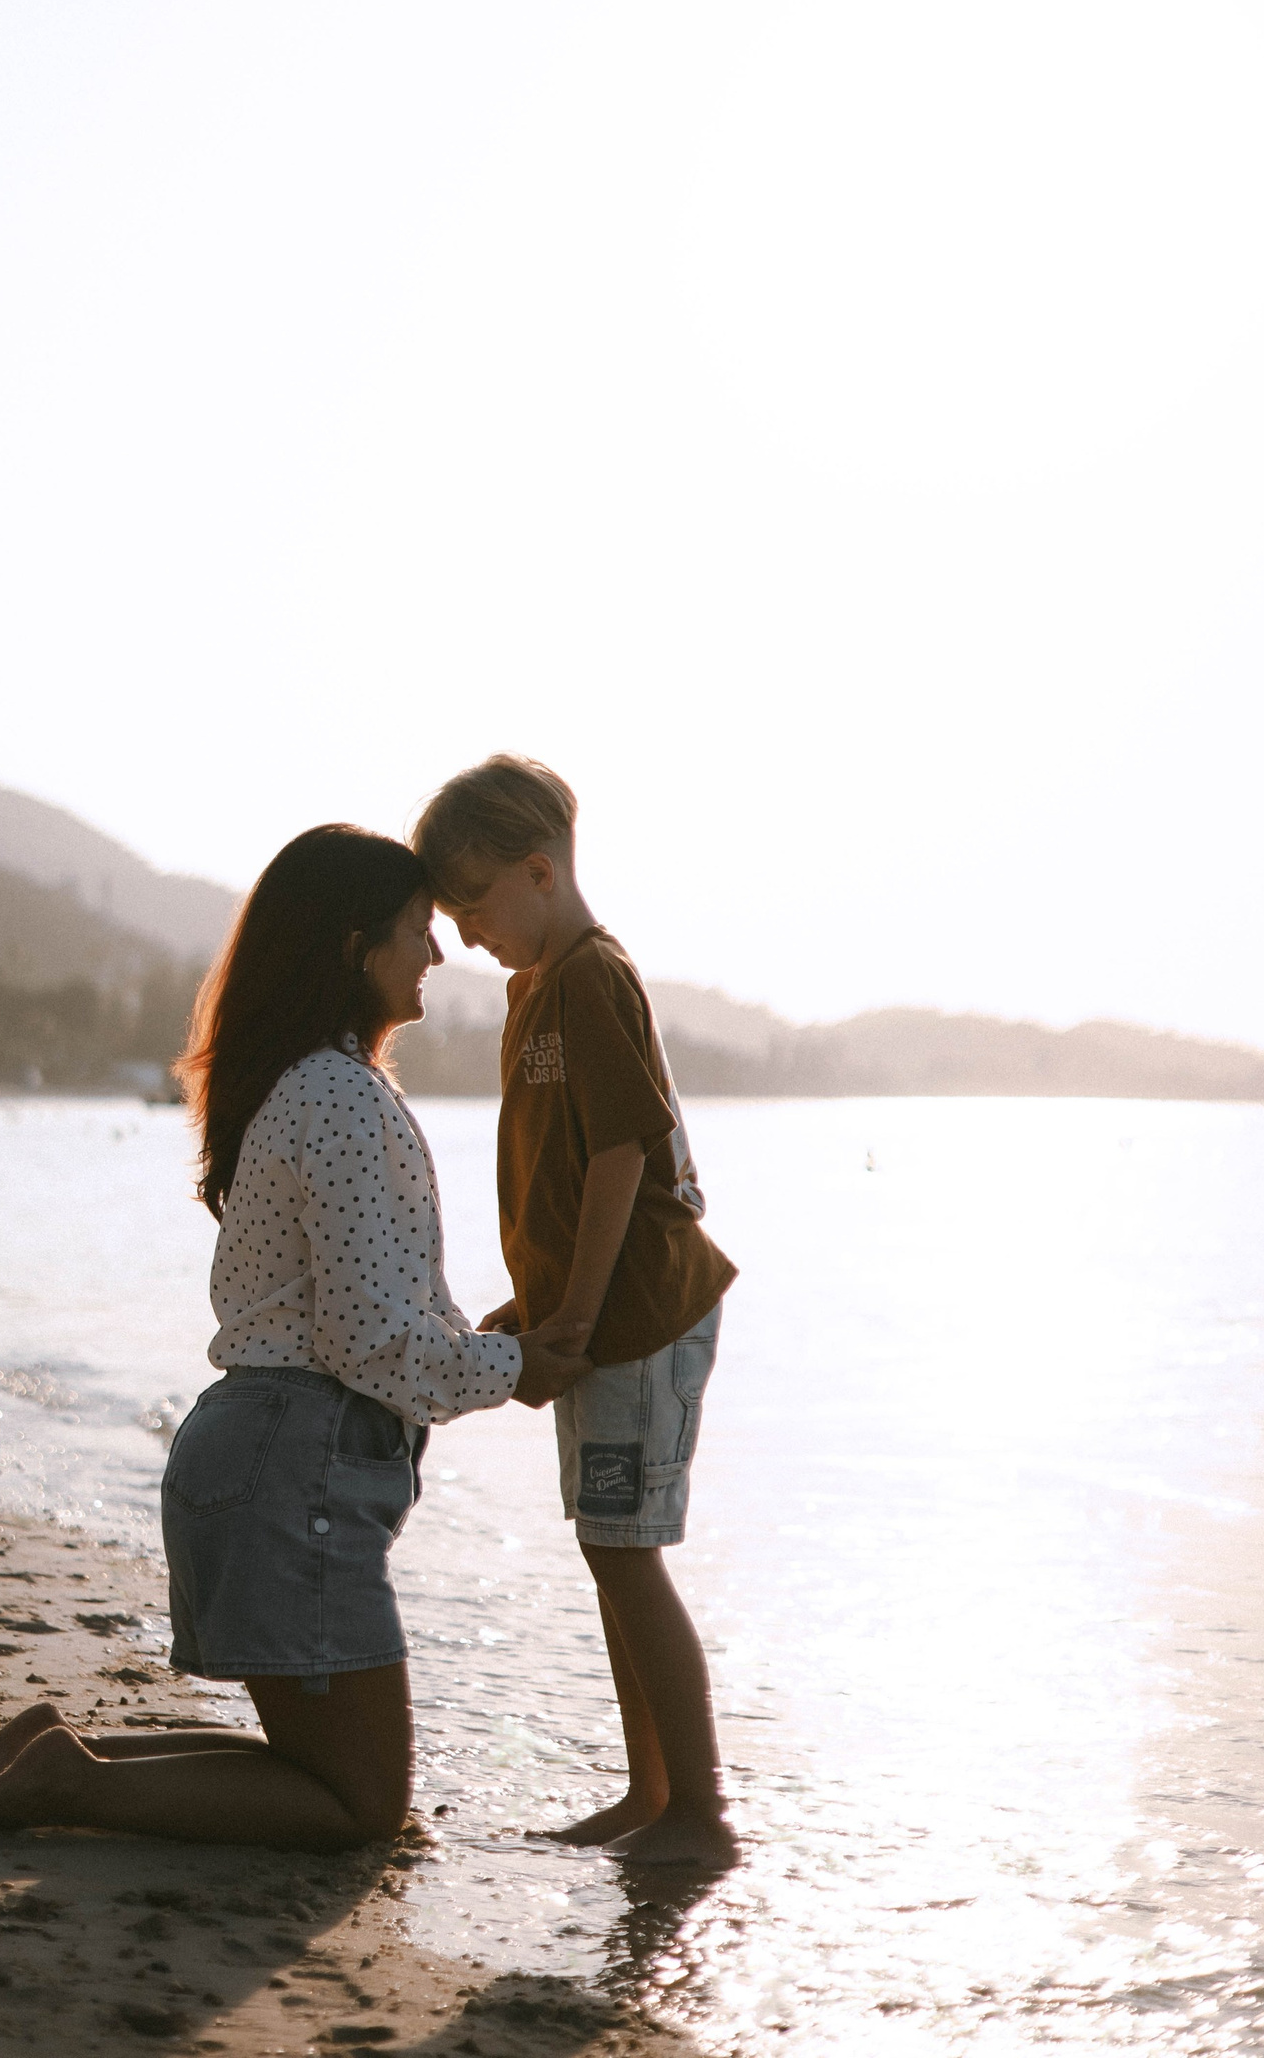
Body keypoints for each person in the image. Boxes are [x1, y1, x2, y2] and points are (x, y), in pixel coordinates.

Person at [0, 822, 587, 1851]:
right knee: (359, 1806)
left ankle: (55, 1754)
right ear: (355, 947)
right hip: (296, 1472)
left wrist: (475, 1337)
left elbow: (364, 1304)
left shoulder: (313, 1083)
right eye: (415, 929)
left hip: (274, 1460)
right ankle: (67, 1781)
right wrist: (514, 1365)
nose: (437, 953)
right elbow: (364, 1341)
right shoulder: (340, 1096)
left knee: (321, 1769)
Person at [411, 756, 739, 1867]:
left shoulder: (594, 975)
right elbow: (562, 1176)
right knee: (611, 1551)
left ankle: (700, 1812)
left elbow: (619, 1157)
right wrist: (538, 1308)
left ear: (539, 872)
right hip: (598, 1316)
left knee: (628, 1554)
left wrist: (578, 1322)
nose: (464, 934)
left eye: (473, 905)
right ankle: (652, 1791)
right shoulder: (535, 991)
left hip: (640, 1318)